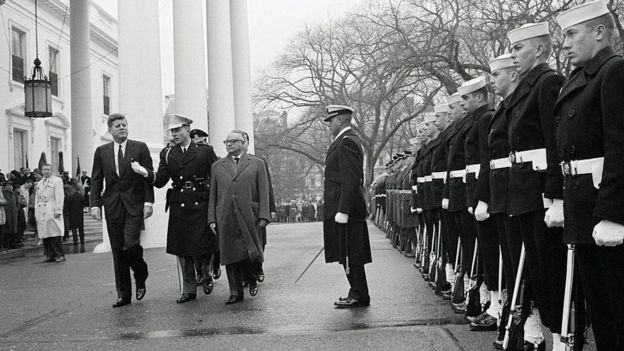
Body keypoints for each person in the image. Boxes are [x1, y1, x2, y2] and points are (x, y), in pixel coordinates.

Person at [555, 2, 624, 349]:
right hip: (582, 207)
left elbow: (620, 146)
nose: (564, 43)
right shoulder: (580, 78)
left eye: (571, 34)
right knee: (600, 312)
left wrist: (614, 213)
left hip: (603, 208)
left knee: (617, 309)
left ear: (598, 32)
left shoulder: (614, 72)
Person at [507, 22, 566, 350]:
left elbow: (554, 142)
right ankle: (547, 334)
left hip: (541, 194)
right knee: (539, 275)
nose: (513, 55)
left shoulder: (547, 83)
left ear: (540, 49)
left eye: (519, 48)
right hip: (526, 194)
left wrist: (554, 193)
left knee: (552, 271)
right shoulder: (525, 87)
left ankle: (561, 337)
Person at [132, 114, 218, 304]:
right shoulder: (168, 153)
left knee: (204, 246)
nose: (175, 134)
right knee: (183, 249)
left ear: (188, 129)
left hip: (201, 201)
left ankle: (206, 272)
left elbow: (215, 177)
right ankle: (188, 289)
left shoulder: (205, 151)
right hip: (180, 203)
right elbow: (161, 180)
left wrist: (216, 203)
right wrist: (145, 172)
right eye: (172, 131)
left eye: (178, 130)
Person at [90, 113, 154, 308]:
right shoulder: (102, 151)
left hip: (134, 205)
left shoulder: (140, 147)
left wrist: (148, 203)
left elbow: (147, 176)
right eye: (117, 126)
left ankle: (140, 274)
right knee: (118, 250)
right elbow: (96, 179)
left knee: (131, 244)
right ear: (110, 130)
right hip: (112, 206)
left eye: (124, 125)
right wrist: (94, 204)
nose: (122, 128)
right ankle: (123, 294)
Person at [207, 129, 271, 305]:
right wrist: (211, 218)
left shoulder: (257, 163)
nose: (228, 144)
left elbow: (264, 191)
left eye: (233, 141)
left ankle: (251, 277)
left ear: (243, 143)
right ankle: (235, 291)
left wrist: (264, 214)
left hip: (250, 214)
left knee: (250, 251)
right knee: (229, 254)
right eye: (226, 142)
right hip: (226, 215)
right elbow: (213, 194)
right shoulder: (217, 166)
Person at [322, 105, 372, 308]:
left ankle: (359, 293)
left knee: (351, 254)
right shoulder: (343, 141)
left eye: (331, 121)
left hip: (347, 209)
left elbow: (350, 180)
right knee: (346, 252)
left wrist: (343, 210)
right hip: (342, 206)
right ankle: (357, 291)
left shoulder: (347, 142)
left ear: (341, 120)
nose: (329, 125)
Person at [35, 164, 66, 262]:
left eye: (48, 169)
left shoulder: (57, 181)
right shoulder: (39, 183)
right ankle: (50, 255)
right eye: (44, 169)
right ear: (41, 171)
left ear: (51, 170)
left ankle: (60, 255)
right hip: (42, 210)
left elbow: (59, 196)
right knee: (45, 234)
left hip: (51, 208)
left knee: (54, 232)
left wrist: (58, 210)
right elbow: (37, 198)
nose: (46, 171)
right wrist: (36, 211)